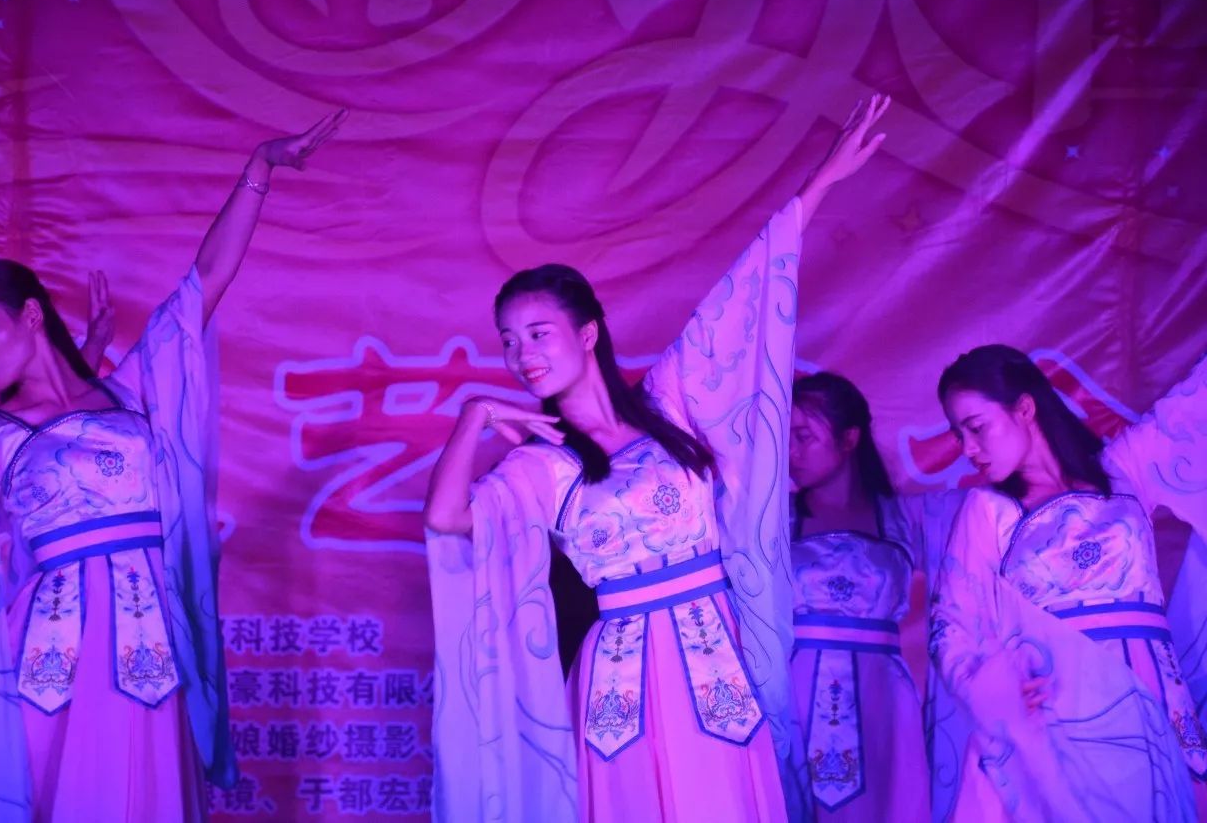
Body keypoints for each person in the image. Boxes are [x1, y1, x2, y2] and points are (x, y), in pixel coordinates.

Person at [423, 95, 890, 822]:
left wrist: (822, 181)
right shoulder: (543, 465)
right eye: (509, 342)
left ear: (587, 334)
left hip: (717, 657)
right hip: (623, 682)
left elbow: (742, 301)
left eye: (539, 333)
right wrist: (474, 414)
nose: (522, 355)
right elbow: (447, 518)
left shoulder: (669, 402)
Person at [0, 109, 345, 821]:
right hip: (52, 659)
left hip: (152, 638)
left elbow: (202, 285)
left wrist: (260, 168)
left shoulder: (129, 395)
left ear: (30, 315)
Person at [929, 344, 1207, 821]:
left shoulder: (1124, 471)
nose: (968, 449)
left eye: (976, 428)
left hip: (1154, 705)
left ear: (1024, 408)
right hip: (1063, 716)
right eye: (959, 435)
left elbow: (1195, 405)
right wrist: (994, 687)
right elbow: (950, 626)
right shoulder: (989, 511)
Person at [788, 371, 963, 820]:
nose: (791, 452)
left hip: (883, 699)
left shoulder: (910, 518)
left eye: (803, 436)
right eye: (784, 438)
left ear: (849, 439)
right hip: (794, 696)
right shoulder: (770, 522)